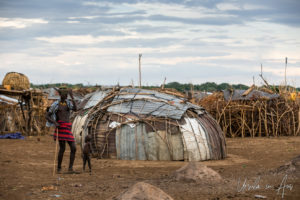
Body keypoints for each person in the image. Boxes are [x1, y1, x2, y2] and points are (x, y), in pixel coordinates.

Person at [46, 87, 77, 173]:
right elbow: (47, 116)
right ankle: (59, 168)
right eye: (65, 94)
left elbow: (75, 109)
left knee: (74, 148)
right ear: (60, 95)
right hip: (60, 127)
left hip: (67, 127)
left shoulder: (68, 103)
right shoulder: (55, 104)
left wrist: (72, 96)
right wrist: (54, 122)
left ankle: (70, 168)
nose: (66, 96)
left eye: (67, 94)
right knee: (62, 148)